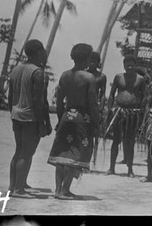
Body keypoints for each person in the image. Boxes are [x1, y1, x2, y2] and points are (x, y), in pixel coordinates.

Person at [47, 43, 100, 199]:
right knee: (74, 154)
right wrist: (96, 125)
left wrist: (60, 119)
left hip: (66, 115)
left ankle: (58, 190)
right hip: (81, 117)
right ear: (86, 58)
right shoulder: (89, 77)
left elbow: (59, 101)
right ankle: (65, 190)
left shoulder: (65, 75)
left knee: (62, 152)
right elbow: (92, 104)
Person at [8, 39, 52, 198]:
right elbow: (38, 101)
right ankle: (18, 190)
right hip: (30, 117)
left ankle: (15, 185)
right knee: (26, 153)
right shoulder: (37, 72)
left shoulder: (15, 69)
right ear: (39, 52)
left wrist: (12, 115)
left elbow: (10, 97)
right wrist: (43, 123)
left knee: (19, 151)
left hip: (17, 115)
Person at [105, 54, 146, 177]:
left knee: (129, 141)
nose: (129, 67)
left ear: (135, 66)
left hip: (133, 113)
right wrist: (110, 109)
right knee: (116, 140)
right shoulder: (118, 77)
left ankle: (130, 169)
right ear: (123, 65)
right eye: (127, 65)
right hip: (119, 112)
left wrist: (141, 112)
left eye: (131, 65)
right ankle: (111, 168)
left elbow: (144, 97)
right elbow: (112, 94)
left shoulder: (140, 79)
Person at [86, 51, 107, 167]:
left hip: (94, 108)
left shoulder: (101, 77)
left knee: (91, 136)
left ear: (98, 63)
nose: (92, 63)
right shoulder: (82, 74)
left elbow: (103, 94)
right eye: (90, 61)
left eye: (94, 61)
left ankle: (88, 162)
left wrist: (101, 107)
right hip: (83, 108)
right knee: (82, 134)